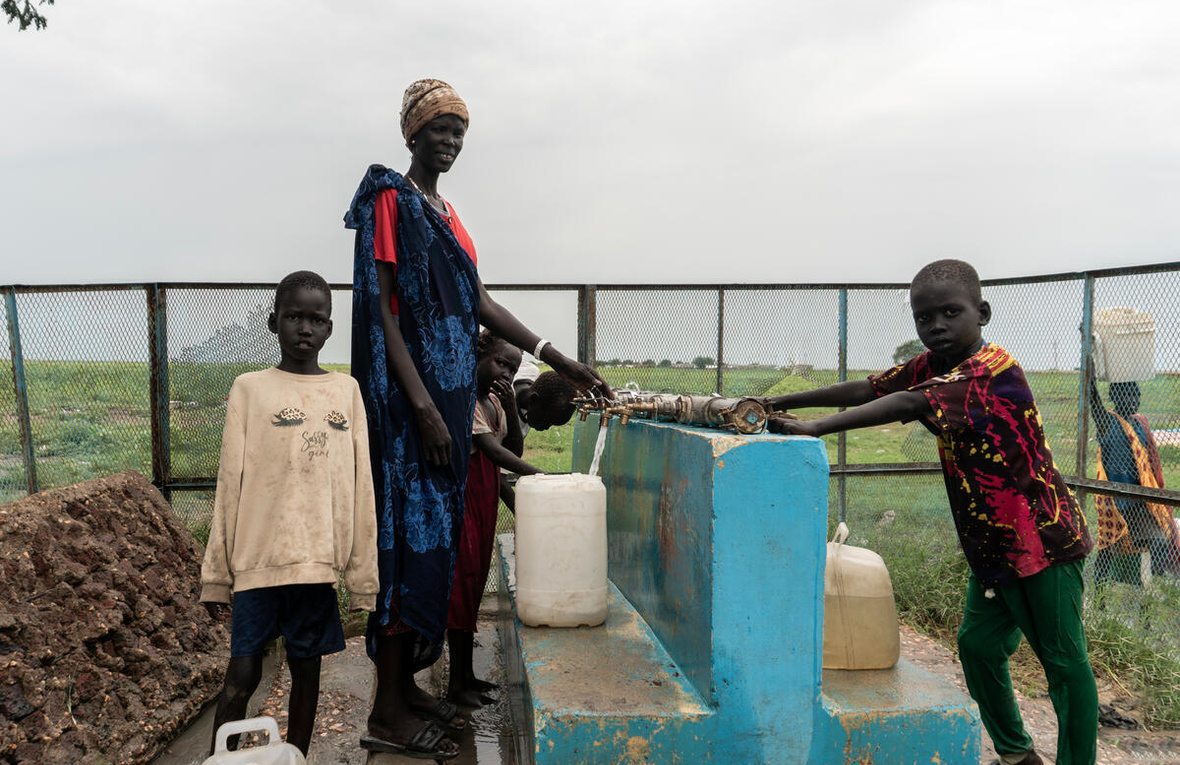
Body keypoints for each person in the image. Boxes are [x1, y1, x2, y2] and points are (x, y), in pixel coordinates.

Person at [344, 78, 609, 759]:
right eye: (439, 127)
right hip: (412, 415)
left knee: (434, 550)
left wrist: (558, 356)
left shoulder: (448, 213)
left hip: (450, 406)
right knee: (404, 546)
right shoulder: (390, 199)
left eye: (460, 129)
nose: (451, 139)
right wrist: (427, 409)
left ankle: (406, 692)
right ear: (411, 133)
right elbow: (381, 313)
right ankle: (384, 708)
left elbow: (480, 302)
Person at [762, 259, 1096, 765]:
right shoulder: (932, 365)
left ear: (981, 312)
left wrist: (817, 428)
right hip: (993, 545)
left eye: (950, 312)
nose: (936, 325)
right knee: (979, 648)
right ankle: (1017, 755)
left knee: (1065, 666)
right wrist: (777, 401)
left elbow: (908, 404)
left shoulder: (991, 371)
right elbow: (871, 389)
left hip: (1042, 540)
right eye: (924, 318)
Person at [200, 270, 379, 756]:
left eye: (316, 319)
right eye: (294, 316)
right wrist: (217, 576)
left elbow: (361, 487)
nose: (305, 328)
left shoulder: (346, 392)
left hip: (316, 563)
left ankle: (296, 754)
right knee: (243, 667)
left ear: (329, 328)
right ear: (273, 321)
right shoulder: (250, 389)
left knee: (307, 667)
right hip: (258, 561)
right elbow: (229, 484)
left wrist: (363, 578)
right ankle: (221, 756)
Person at [446, 331, 545, 706]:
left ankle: (467, 676)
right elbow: (493, 452)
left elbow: (511, 447)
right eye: (502, 363)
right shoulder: (465, 401)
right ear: (481, 352)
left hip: (486, 501)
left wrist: (512, 416)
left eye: (513, 368)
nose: (506, 373)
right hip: (466, 499)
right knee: (462, 584)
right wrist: (545, 478)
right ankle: (456, 682)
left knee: (474, 584)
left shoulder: (493, 402)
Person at [1086, 357, 1180, 582]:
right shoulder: (1107, 422)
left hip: (1138, 500)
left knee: (1158, 538)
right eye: (1127, 395)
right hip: (1116, 502)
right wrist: (1089, 370)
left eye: (1136, 395)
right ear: (1115, 397)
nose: (1133, 400)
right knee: (1108, 549)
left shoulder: (1139, 424)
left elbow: (1148, 464)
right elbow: (1094, 401)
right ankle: (1101, 591)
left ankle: (1149, 585)